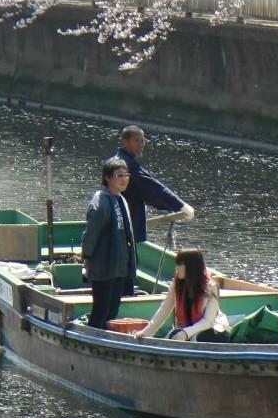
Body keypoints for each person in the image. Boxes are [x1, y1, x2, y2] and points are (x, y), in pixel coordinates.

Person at [110, 126, 196, 255]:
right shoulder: (127, 166)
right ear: (124, 142)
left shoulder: (112, 161)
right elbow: (152, 189)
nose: (141, 145)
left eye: (142, 141)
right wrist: (180, 206)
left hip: (114, 222)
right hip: (124, 226)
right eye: (136, 141)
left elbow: (148, 187)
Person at [81, 157, 138, 330]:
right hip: (104, 266)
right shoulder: (101, 201)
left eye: (126, 175)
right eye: (119, 175)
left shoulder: (120, 199)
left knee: (113, 309)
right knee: (100, 309)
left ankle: (104, 338)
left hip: (119, 266)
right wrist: (86, 261)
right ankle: (91, 340)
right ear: (107, 177)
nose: (124, 179)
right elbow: (91, 234)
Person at [141, 248, 230, 342]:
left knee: (197, 338)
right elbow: (164, 309)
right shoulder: (176, 284)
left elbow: (208, 321)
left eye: (180, 264)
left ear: (191, 266)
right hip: (186, 330)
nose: (177, 268)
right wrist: (146, 333)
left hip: (213, 330)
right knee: (173, 337)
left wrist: (185, 333)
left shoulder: (211, 287)